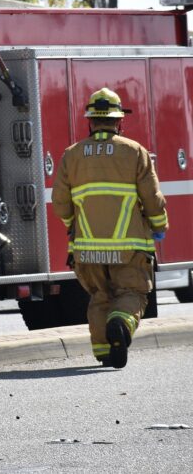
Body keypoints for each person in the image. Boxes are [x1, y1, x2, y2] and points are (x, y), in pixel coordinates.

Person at [51, 87, 168, 369]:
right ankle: (120, 324)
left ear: (90, 121)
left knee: (100, 296)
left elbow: (60, 203)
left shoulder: (72, 155)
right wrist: (159, 226)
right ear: (119, 121)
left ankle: (104, 351)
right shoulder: (135, 152)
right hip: (129, 247)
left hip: (87, 249)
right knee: (132, 293)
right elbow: (152, 198)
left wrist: (73, 227)